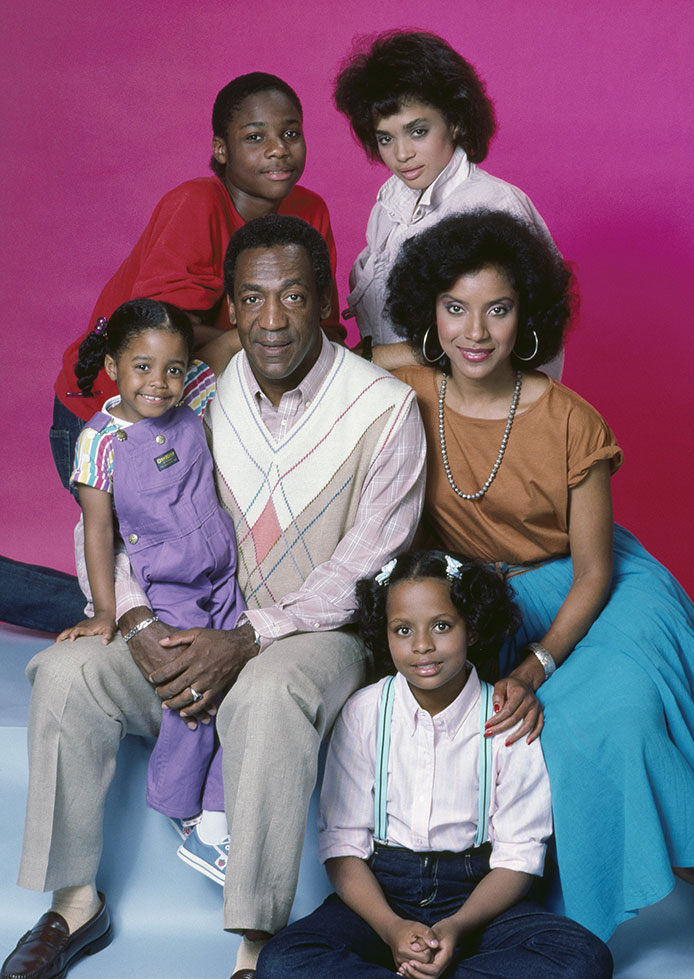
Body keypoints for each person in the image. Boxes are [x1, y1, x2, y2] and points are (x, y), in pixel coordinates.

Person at [2, 215, 426, 979]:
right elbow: (114, 520)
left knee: (266, 692)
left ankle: (257, 942)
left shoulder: (384, 408)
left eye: (293, 294)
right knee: (66, 674)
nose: (272, 318)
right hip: (191, 625)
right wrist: (135, 617)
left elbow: (367, 565)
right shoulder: (197, 389)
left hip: (311, 640)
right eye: (252, 298)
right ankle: (74, 901)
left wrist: (249, 636)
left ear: (325, 300)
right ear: (230, 306)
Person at [385, 209, 694, 940]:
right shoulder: (403, 389)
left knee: (622, 720)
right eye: (455, 308)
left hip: (602, 595)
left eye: (497, 310)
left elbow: (594, 573)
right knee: (541, 741)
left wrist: (534, 666)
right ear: (430, 311)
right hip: (493, 601)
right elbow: (307, 352)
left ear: (526, 316)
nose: (475, 332)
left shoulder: (571, 420)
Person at [0, 71, 345, 637]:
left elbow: (321, 330)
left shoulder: (310, 211)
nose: (278, 149)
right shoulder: (196, 204)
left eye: (291, 133)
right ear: (220, 149)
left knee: (191, 567)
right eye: (255, 137)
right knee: (140, 583)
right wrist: (246, 340)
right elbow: (159, 337)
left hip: (191, 413)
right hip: (111, 413)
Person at [257, 550, 612, 978]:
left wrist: (456, 928)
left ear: (472, 627)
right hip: (383, 896)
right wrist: (391, 929)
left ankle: (432, 966)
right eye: (403, 630)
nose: (422, 645)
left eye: (441, 626)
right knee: (282, 960)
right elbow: (343, 847)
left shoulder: (506, 718)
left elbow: (519, 857)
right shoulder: (365, 713)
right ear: (385, 633)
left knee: (583, 958)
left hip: (478, 897)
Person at [57, 298, 245, 879]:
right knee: (195, 696)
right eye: (142, 367)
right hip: (170, 588)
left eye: (173, 368)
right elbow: (98, 531)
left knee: (242, 683)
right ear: (113, 366)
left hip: (223, 573)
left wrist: (193, 331)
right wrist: (106, 610)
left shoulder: (193, 397)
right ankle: (182, 808)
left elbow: (235, 340)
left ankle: (217, 812)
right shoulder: (101, 441)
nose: (158, 383)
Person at [333, 29, 561, 380]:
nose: (402, 154)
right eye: (386, 138)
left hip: (473, 405)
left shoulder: (493, 205)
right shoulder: (387, 208)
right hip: (392, 399)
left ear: (454, 121)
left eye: (418, 131)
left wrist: (368, 359)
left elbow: (510, 340)